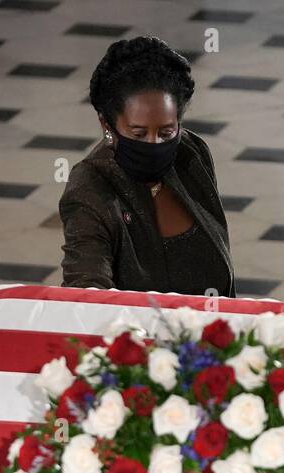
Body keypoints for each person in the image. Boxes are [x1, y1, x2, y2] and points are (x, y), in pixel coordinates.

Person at [59, 36, 233, 295]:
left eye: (166, 132)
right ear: (107, 125)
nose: (154, 143)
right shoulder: (90, 188)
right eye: (139, 134)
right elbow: (86, 293)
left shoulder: (191, 154)